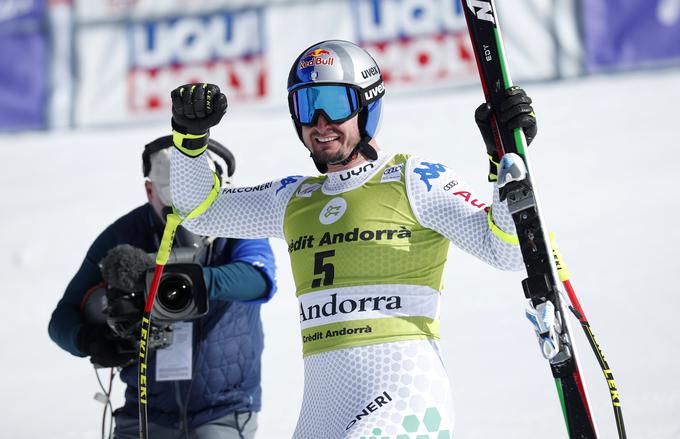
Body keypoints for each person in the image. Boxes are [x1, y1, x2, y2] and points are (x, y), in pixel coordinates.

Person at [167, 40, 536, 438]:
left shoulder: (414, 179)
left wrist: (505, 165)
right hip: (322, 413)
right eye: (307, 106)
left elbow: (508, 252)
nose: (321, 123)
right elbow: (199, 211)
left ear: (368, 106)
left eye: (335, 104)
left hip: (405, 400)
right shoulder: (293, 199)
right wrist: (190, 139)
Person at [48, 135, 277, 439]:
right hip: (143, 411)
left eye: (197, 203)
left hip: (222, 410)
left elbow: (259, 281)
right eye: (173, 205)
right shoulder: (122, 235)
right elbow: (61, 320)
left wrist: (183, 280)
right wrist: (92, 340)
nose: (185, 217)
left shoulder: (236, 223)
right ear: (149, 190)